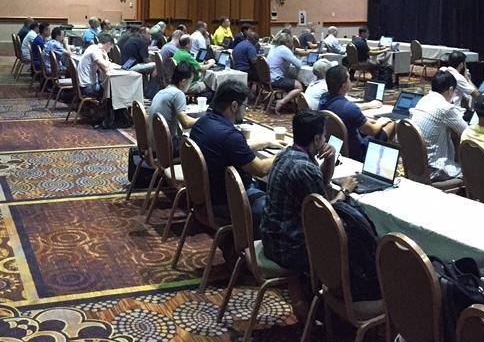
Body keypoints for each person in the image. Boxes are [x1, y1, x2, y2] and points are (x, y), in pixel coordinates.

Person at [257, 109, 381, 300]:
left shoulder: (285, 154)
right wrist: (344, 191)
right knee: (353, 243)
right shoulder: (305, 168)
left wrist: (330, 158)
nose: (325, 140)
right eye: (323, 136)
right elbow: (326, 218)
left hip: (271, 236)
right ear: (316, 139)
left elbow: (319, 184)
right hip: (288, 248)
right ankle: (346, 300)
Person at [193, 81, 277, 272]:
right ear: (233, 106)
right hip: (225, 201)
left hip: (205, 195)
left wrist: (261, 145)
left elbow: (228, 149)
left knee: (264, 188)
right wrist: (286, 152)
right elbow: (260, 169)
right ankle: (255, 257)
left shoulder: (202, 123)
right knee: (274, 202)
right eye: (245, 106)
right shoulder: (230, 135)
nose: (245, 111)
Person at [319, 65, 394, 163]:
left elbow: (348, 117)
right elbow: (373, 131)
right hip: (356, 153)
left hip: (336, 146)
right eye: (349, 79)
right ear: (343, 85)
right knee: (390, 124)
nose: (351, 81)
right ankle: (377, 161)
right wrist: (381, 121)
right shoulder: (349, 108)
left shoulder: (323, 99)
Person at [410, 71, 469, 180]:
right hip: (435, 169)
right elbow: (467, 133)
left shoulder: (423, 100)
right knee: (474, 171)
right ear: (450, 90)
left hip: (417, 165)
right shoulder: (445, 107)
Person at [148, 65, 197, 138]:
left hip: (154, 140)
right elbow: (186, 123)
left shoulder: (162, 91)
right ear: (183, 82)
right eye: (190, 82)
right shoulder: (178, 94)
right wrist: (203, 119)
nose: (190, 85)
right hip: (168, 142)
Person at [266, 31, 305, 112]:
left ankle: (288, 99)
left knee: (291, 77)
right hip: (276, 79)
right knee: (299, 86)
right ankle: (282, 102)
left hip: (267, 78)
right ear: (287, 42)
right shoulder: (284, 49)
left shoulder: (273, 47)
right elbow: (299, 65)